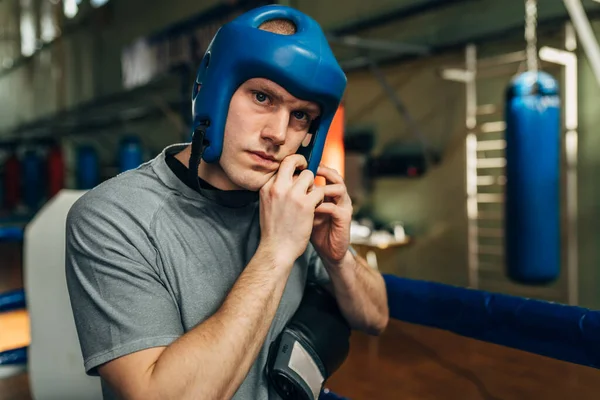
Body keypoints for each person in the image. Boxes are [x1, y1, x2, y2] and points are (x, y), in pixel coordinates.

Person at [65, 5, 389, 400]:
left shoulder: (291, 202)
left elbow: (376, 317)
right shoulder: (114, 217)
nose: (278, 133)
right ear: (214, 91)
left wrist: (338, 259)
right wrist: (277, 251)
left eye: (301, 115)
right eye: (261, 97)